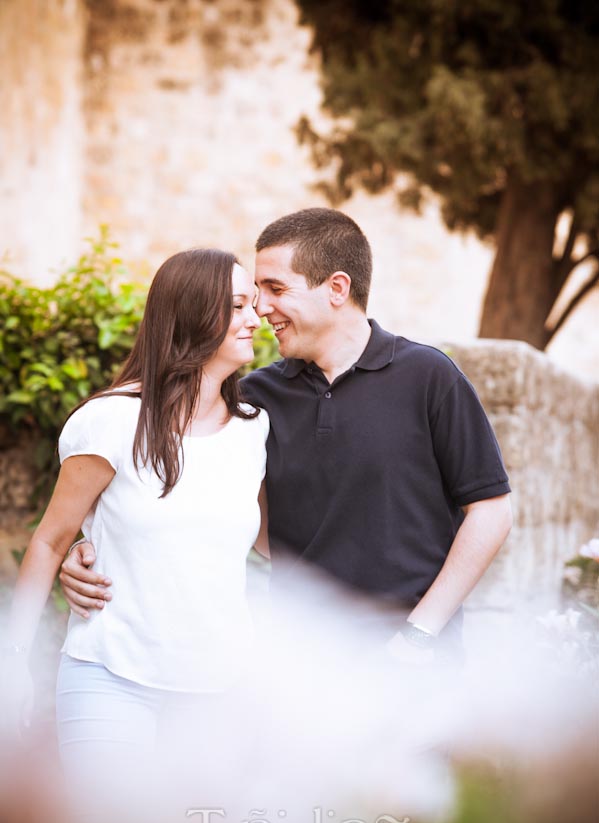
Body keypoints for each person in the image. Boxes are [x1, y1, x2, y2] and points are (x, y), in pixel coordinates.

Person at [60, 208, 512, 664]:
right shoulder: (255, 399)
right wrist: (91, 546)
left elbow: (491, 511)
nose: (260, 308)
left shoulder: (429, 377)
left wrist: (419, 635)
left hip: (415, 665)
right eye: (258, 292)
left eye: (276, 289)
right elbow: (187, 500)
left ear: (337, 288)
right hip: (300, 670)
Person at [2, 248, 269, 823]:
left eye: (254, 303)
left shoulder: (255, 429)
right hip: (110, 679)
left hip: (218, 691)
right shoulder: (113, 419)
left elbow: (270, 544)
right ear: (191, 316)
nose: (254, 317)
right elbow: (49, 540)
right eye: (236, 306)